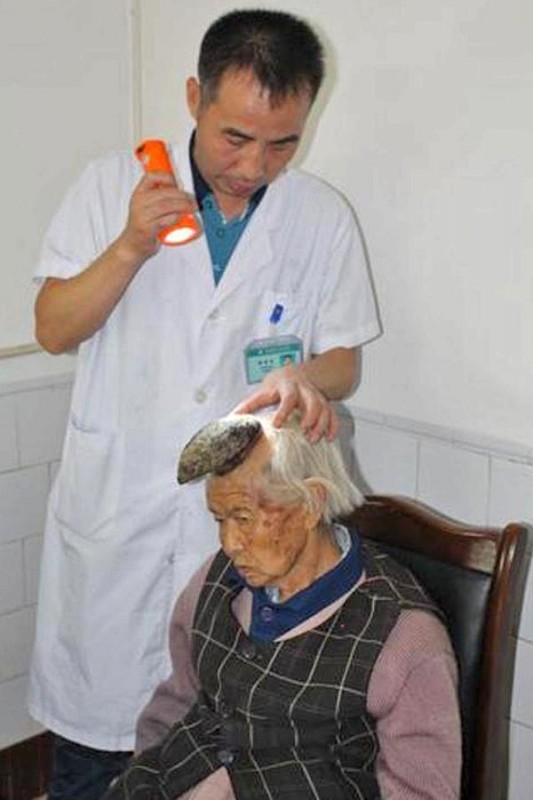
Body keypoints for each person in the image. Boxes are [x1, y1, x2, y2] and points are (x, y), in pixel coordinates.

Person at [29, 9, 380, 800]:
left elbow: (343, 361)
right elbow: (52, 329)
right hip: (115, 524)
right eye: (235, 137)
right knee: (95, 756)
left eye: (282, 142)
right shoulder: (108, 187)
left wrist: (302, 380)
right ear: (194, 97)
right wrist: (130, 246)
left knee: (217, 754)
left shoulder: (320, 216)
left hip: (239, 525)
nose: (254, 165)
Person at [101, 413, 462, 800]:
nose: (229, 543)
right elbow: (176, 703)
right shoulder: (215, 580)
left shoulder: (403, 636)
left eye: (243, 518)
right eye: (219, 520)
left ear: (311, 503)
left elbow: (423, 792)